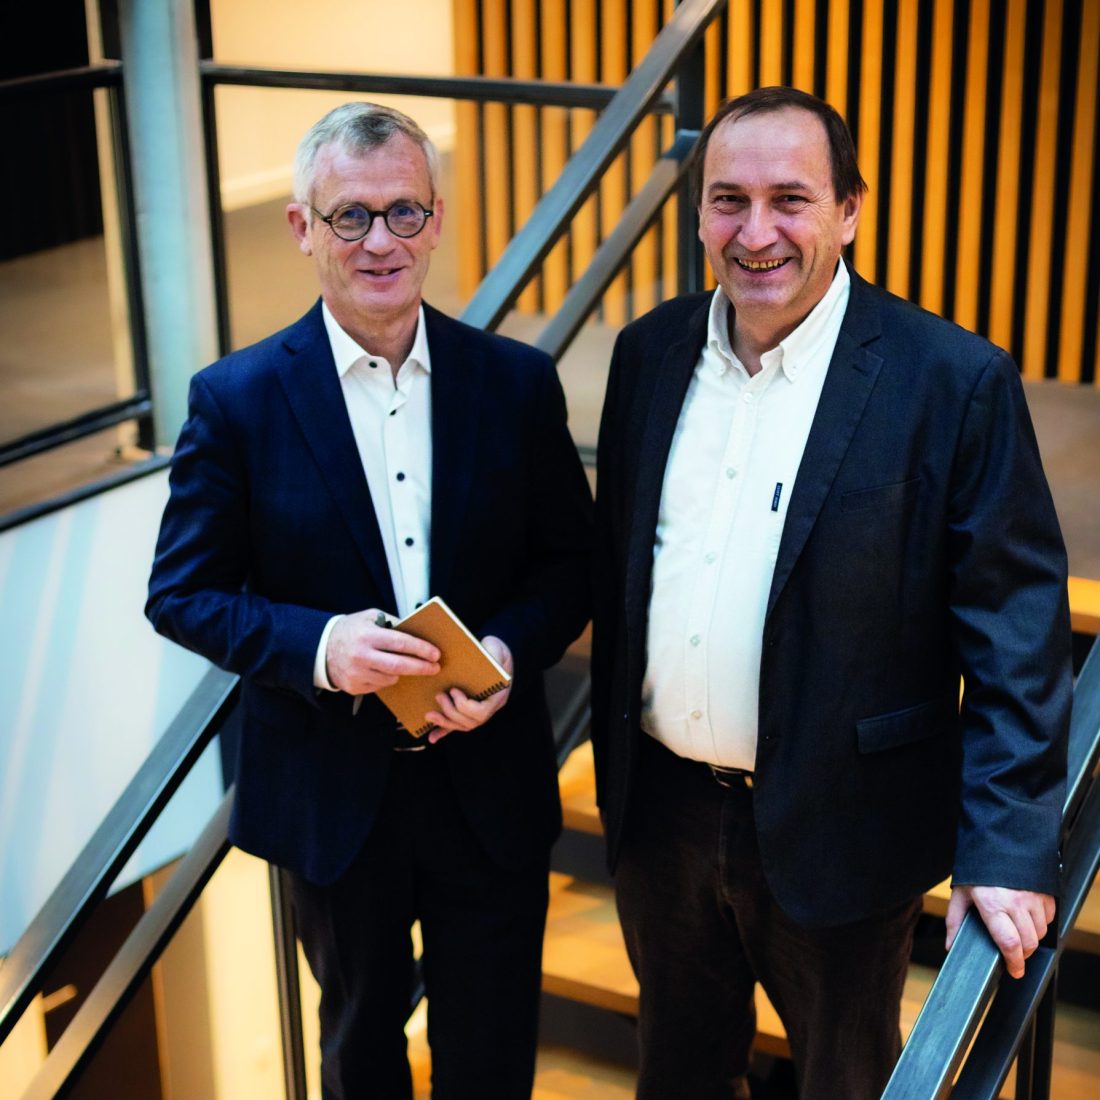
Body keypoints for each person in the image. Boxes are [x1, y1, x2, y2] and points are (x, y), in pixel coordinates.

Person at [590, 86, 1071, 1100]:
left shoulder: (949, 380)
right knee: (677, 1073)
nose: (754, 231)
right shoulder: (647, 354)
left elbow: (1015, 631)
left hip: (845, 822)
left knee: (844, 1083)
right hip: (662, 816)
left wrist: (1007, 845)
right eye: (728, 199)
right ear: (698, 212)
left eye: (790, 199)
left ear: (849, 209)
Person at [147, 102, 593, 1099]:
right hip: (331, 795)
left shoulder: (516, 383)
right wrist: (321, 648)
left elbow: (571, 562)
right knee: (359, 1061)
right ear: (302, 228)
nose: (380, 241)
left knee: (492, 1063)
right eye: (350, 216)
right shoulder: (236, 399)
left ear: (436, 220)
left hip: (489, 786)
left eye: (403, 212)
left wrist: (506, 651)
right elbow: (181, 592)